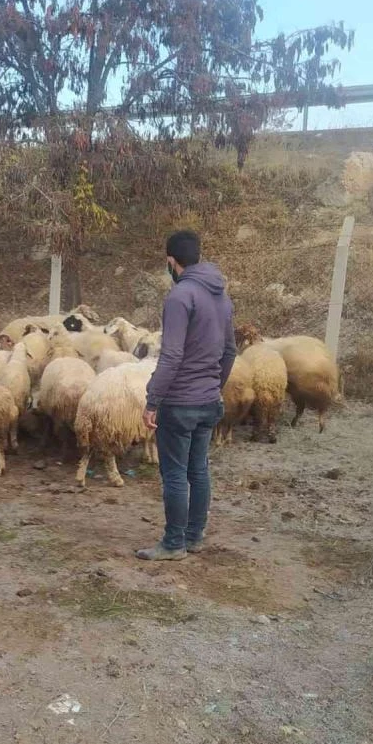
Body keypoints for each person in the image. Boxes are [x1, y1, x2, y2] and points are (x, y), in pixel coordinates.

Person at [136, 229, 236, 562]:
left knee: (175, 473)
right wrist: (214, 387)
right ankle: (194, 537)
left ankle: (173, 543)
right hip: (208, 401)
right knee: (199, 470)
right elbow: (230, 351)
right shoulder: (222, 297)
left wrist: (153, 399)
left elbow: (172, 355)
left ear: (171, 261)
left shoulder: (180, 297)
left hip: (180, 403)